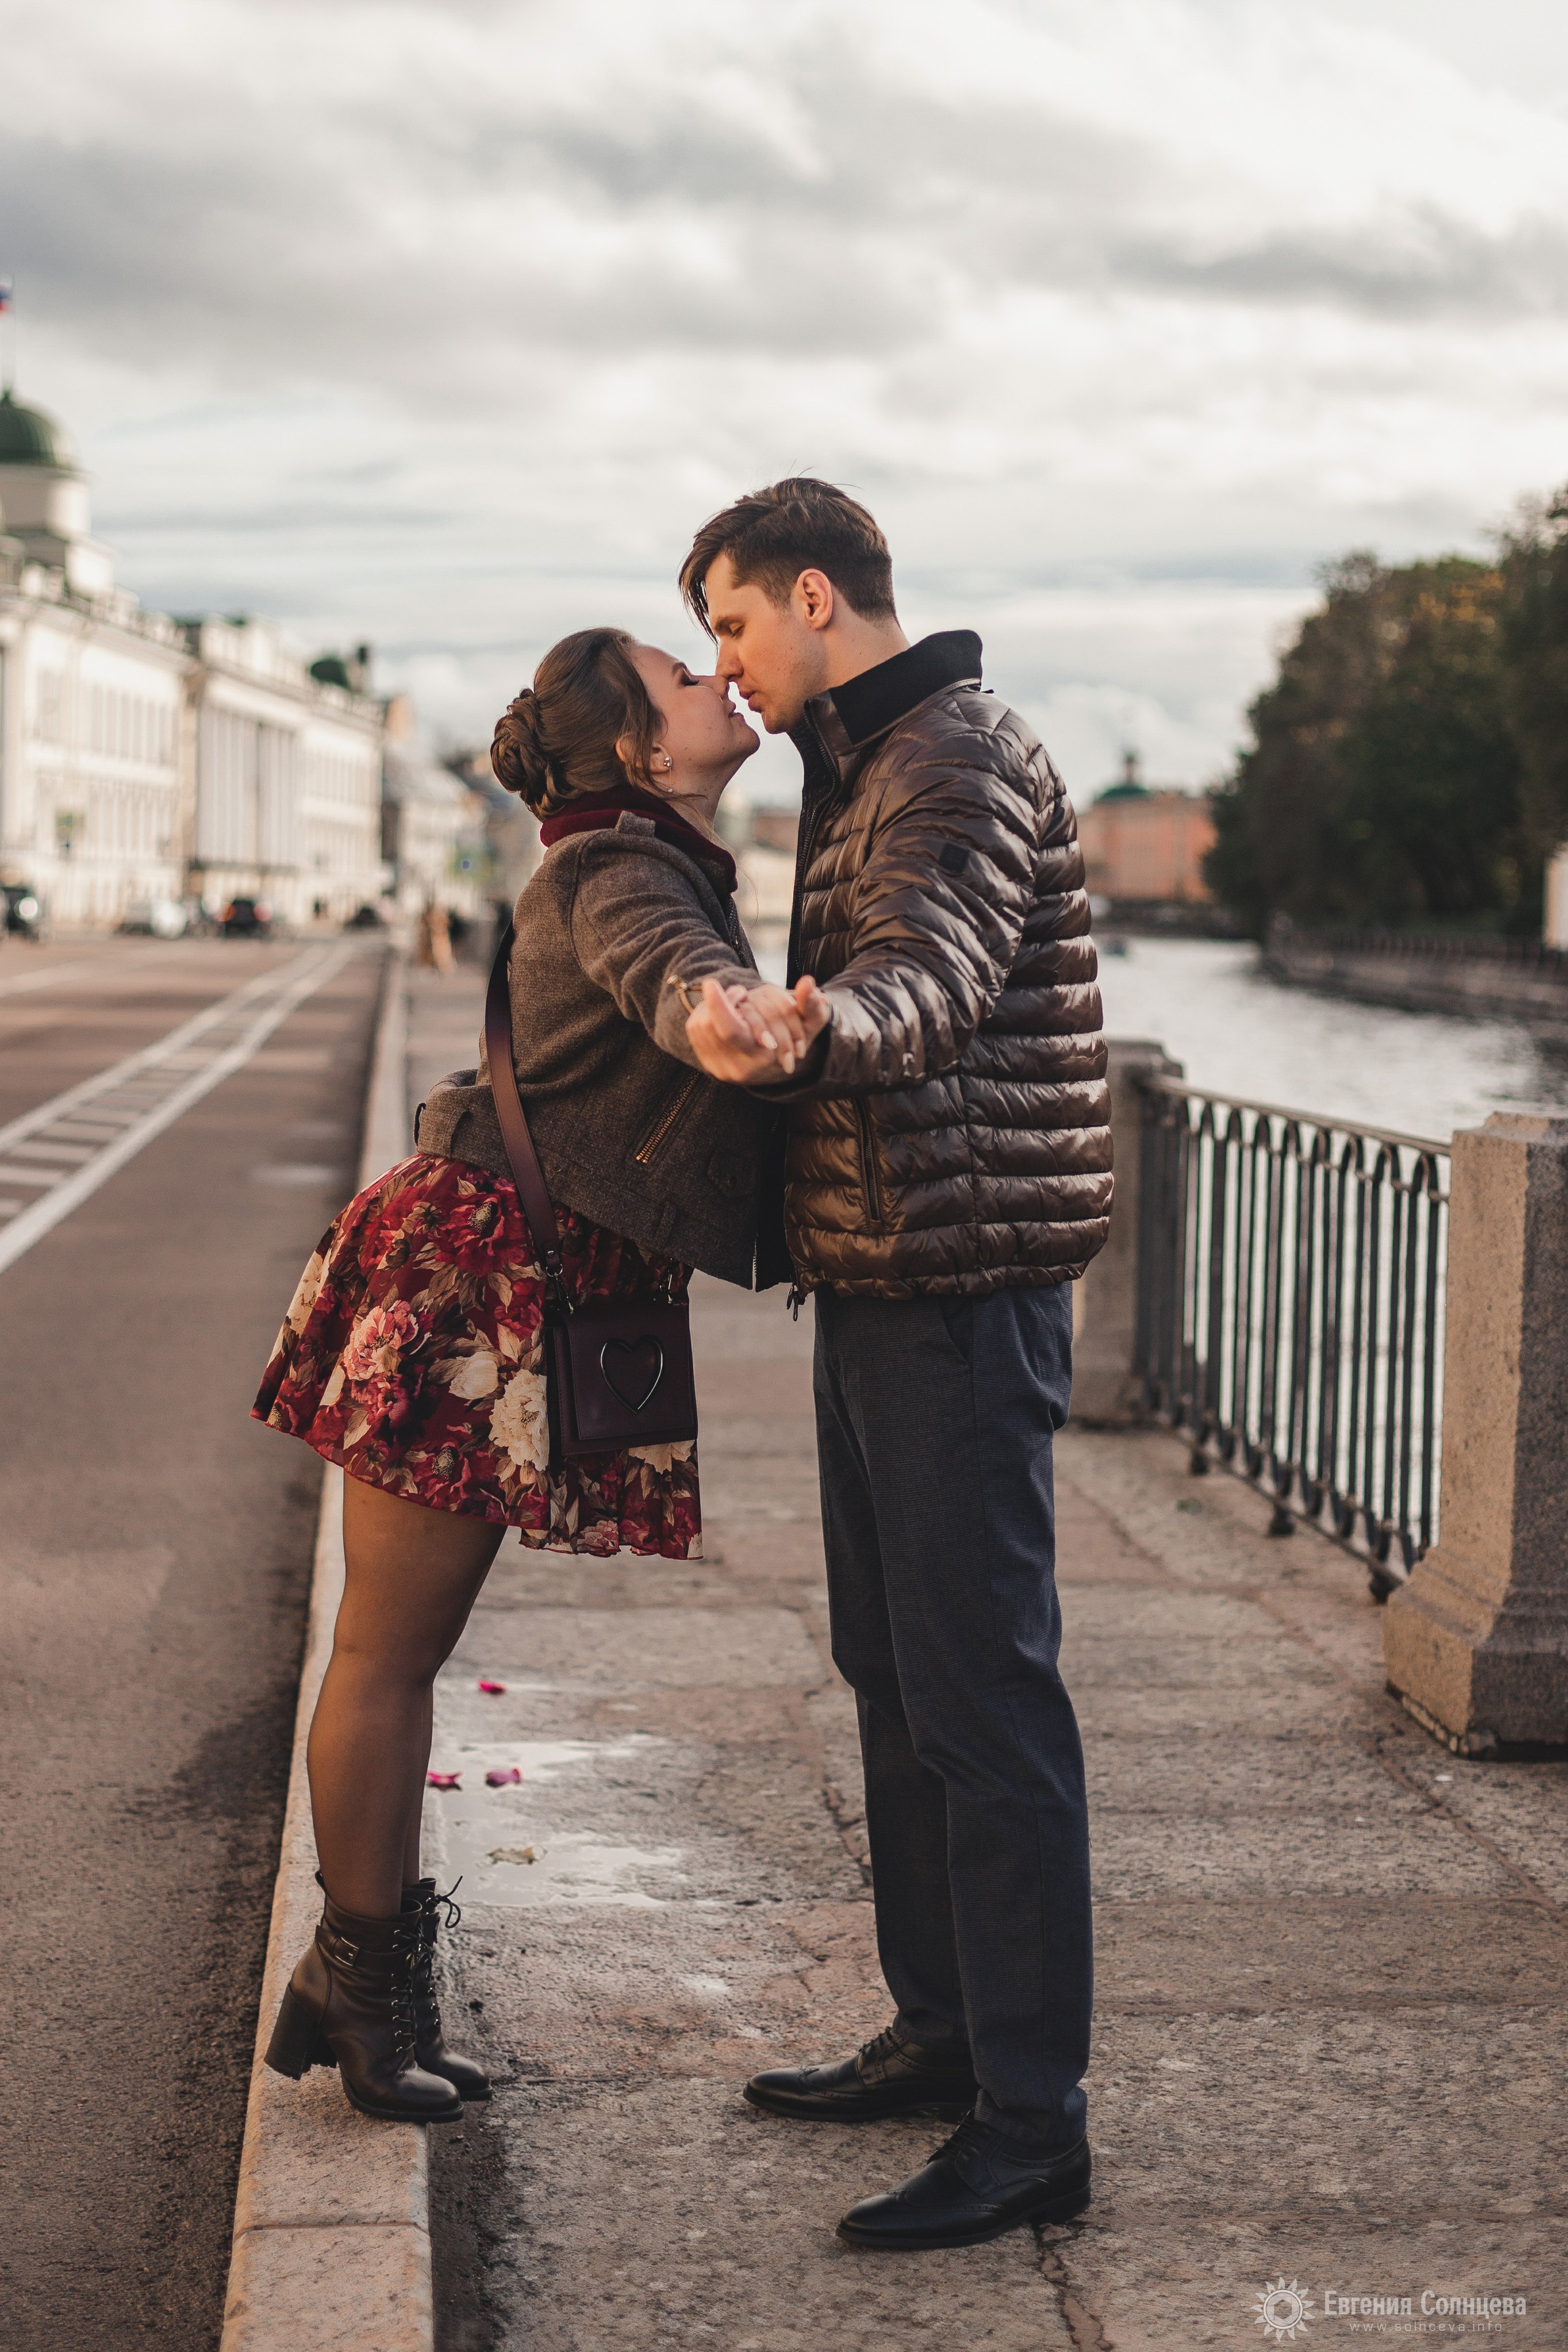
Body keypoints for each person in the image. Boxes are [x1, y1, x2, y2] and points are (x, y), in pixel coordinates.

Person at [252, 626, 813, 2124]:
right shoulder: (616, 873)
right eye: (680, 677)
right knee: (386, 1648)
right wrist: (726, 1015)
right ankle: (362, 1990)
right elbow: (666, 976)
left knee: (398, 1648)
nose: (716, 675)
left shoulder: (643, 851)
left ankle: (348, 1974)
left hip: (504, 1264)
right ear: (636, 751)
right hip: (474, 1281)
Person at [678, 479, 1113, 2252]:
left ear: (810, 596)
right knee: (896, 1678)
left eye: (730, 628)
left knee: (986, 1703)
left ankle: (1034, 2126)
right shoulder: (866, 754)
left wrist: (812, 1027)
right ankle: (944, 2036)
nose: (729, 670)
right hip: (886, 1278)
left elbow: (926, 977)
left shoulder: (948, 755)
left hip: (962, 1288)